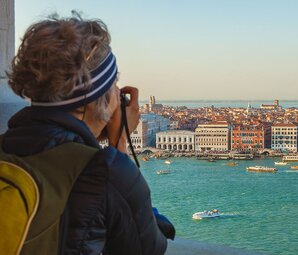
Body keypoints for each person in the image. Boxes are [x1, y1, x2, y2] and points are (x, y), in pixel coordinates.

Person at [2, 13, 174, 254]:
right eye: (114, 85)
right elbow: (148, 247)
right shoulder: (106, 170)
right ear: (95, 102)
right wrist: (119, 144)